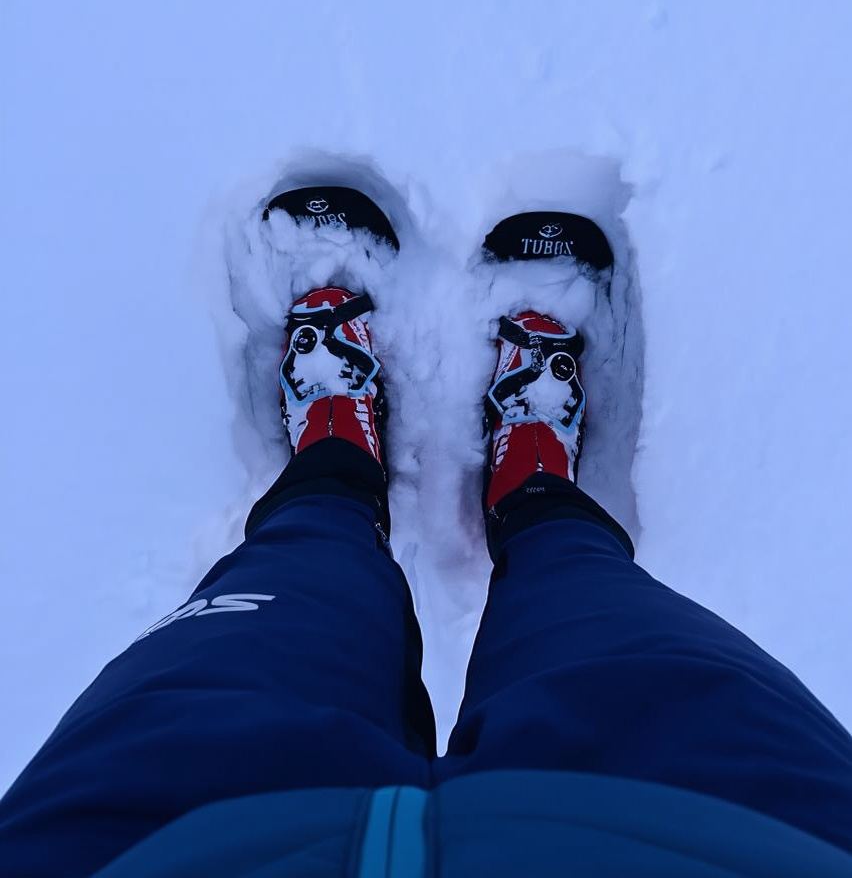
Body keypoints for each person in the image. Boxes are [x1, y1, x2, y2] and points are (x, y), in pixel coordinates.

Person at [2, 282, 852, 878]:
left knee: (291, 586)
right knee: (603, 614)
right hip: (727, 828)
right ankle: (531, 486)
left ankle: (338, 464)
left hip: (149, 837)